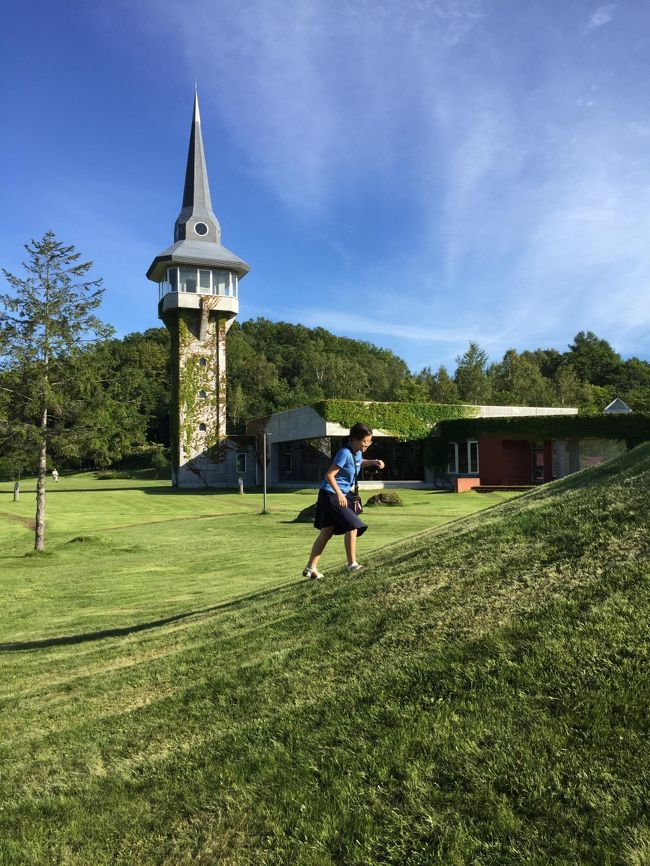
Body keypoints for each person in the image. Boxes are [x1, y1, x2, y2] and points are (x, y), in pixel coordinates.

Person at [303, 423, 385, 579]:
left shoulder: (357, 452)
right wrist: (340, 494)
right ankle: (352, 564)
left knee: (326, 532)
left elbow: (358, 462)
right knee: (352, 525)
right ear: (354, 439)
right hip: (330, 494)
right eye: (365, 441)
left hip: (334, 494)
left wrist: (373, 461)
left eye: (369, 441)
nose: (367, 444)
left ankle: (310, 568)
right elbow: (330, 475)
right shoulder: (344, 453)